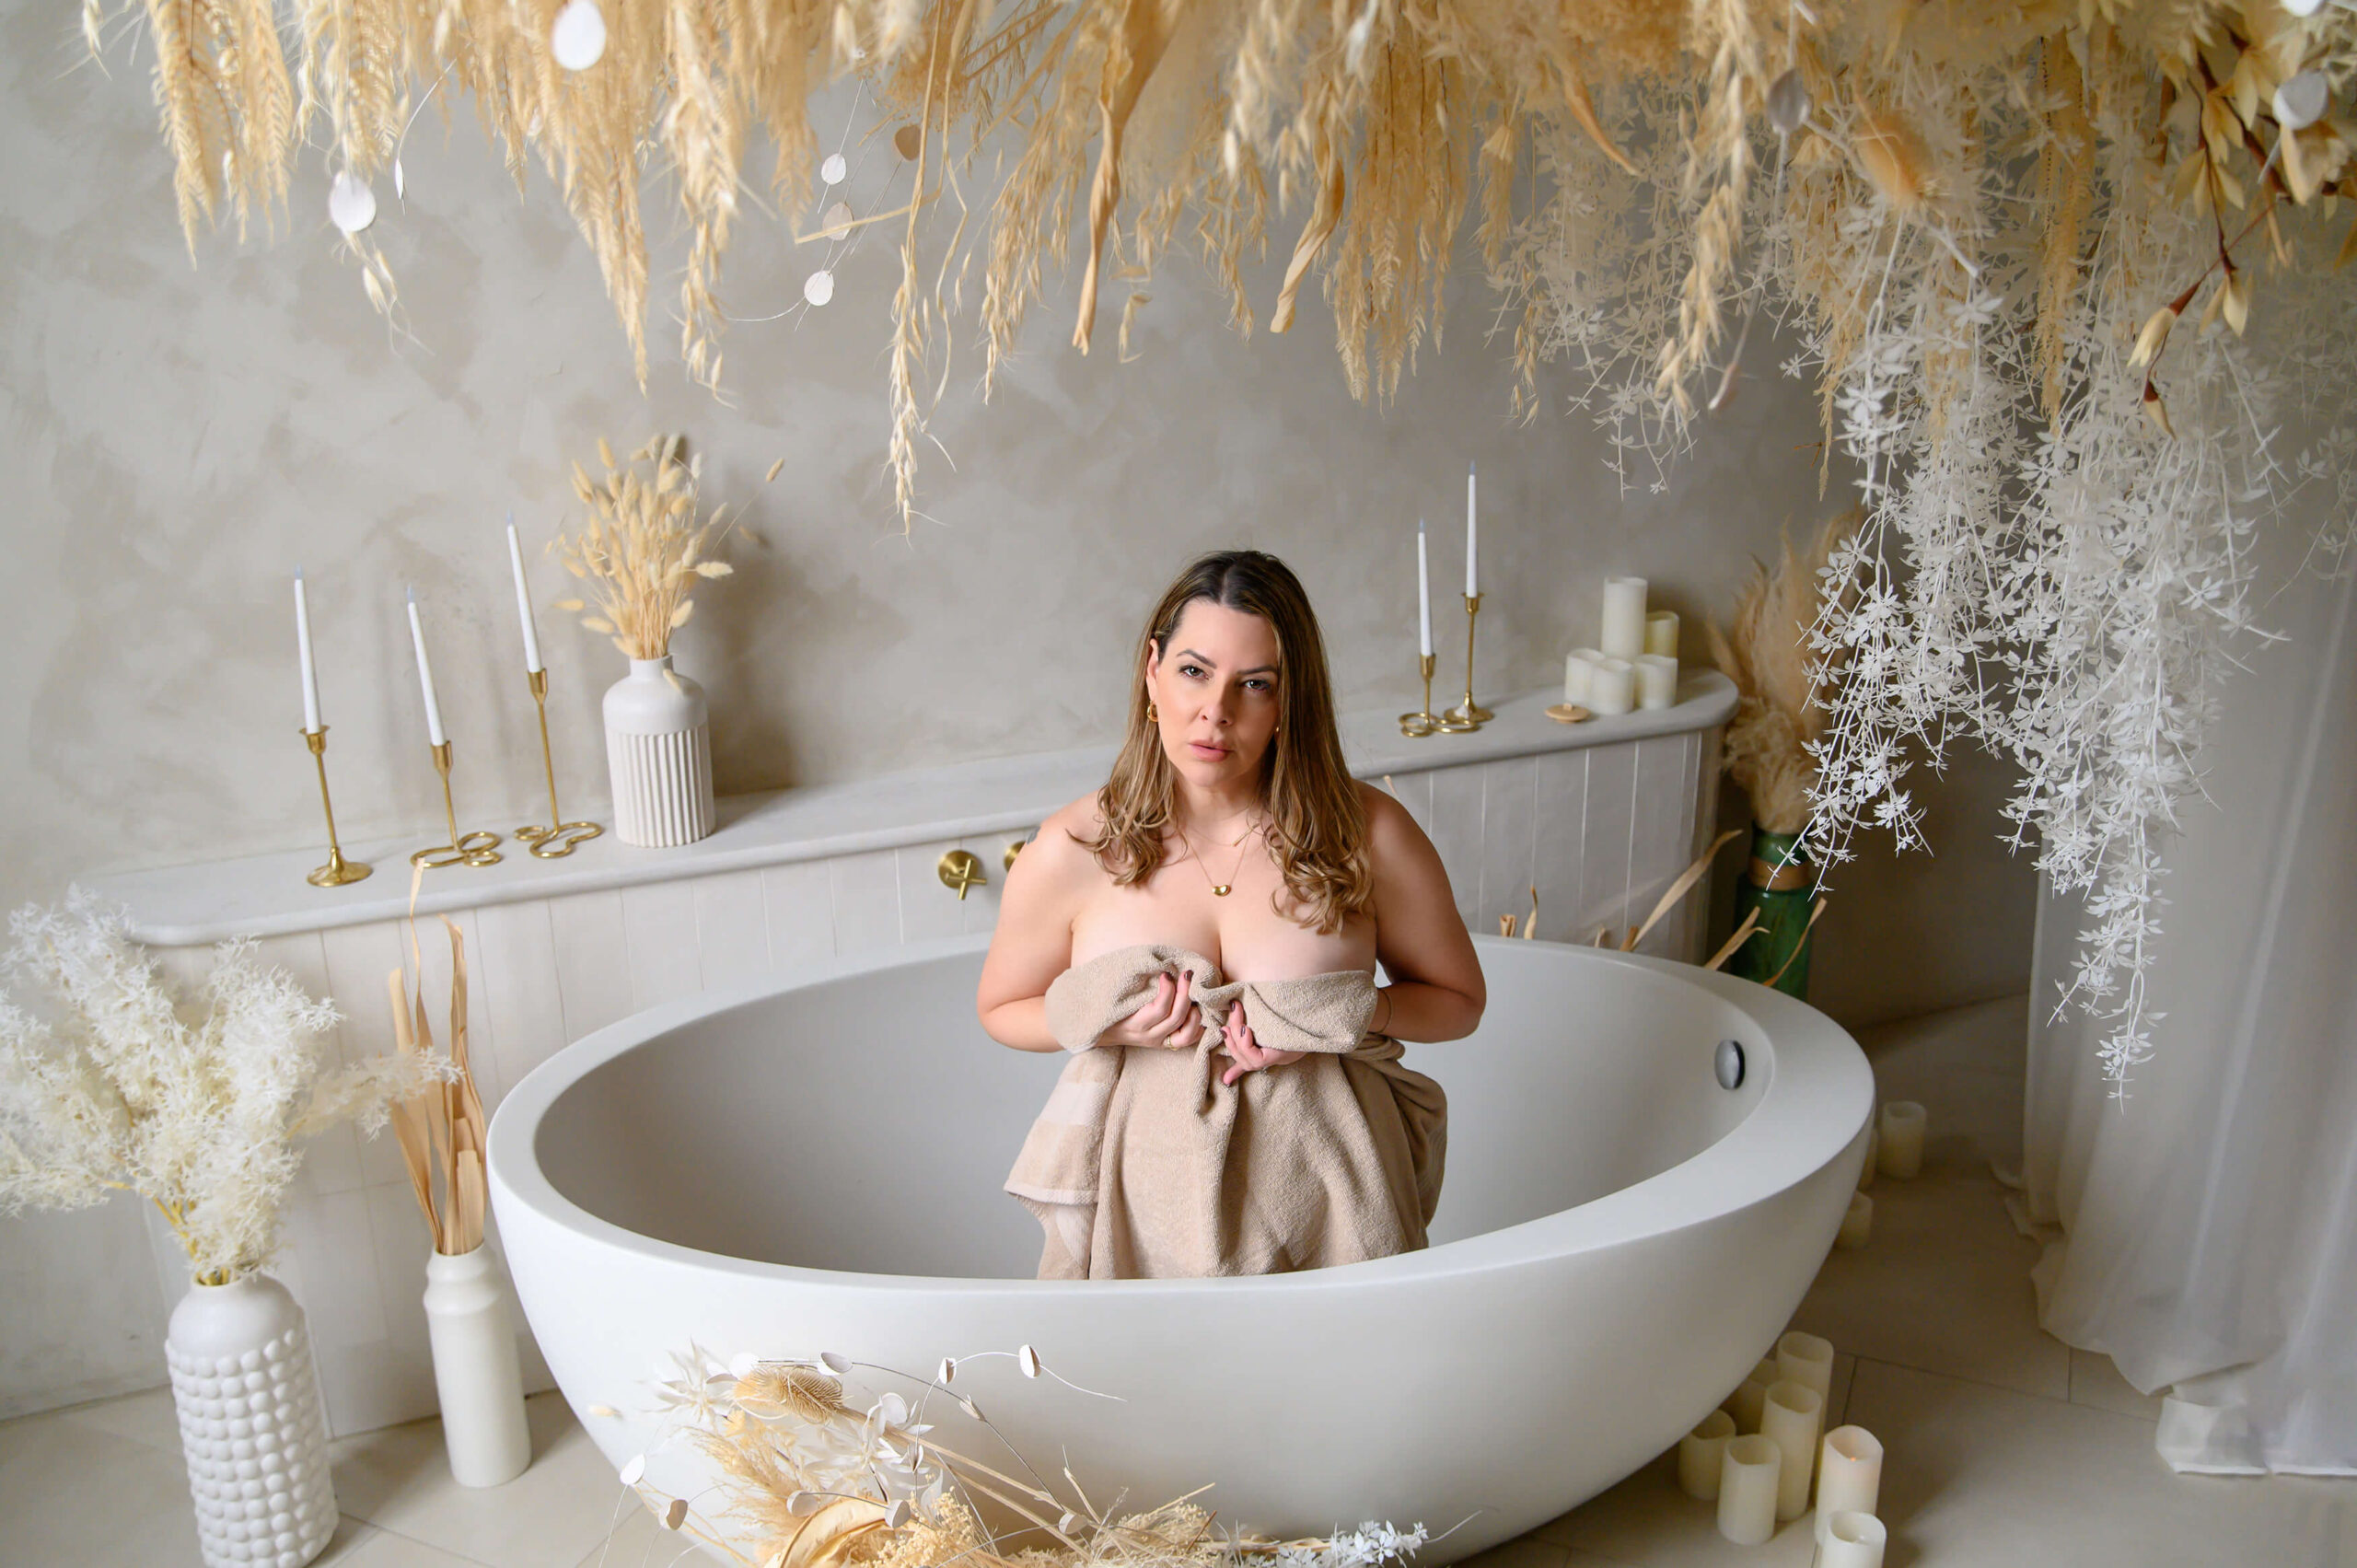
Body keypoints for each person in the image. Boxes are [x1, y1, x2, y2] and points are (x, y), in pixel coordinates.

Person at [978, 550, 1484, 1279]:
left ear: (1288, 702)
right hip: (1145, 1220)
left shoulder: (1368, 834)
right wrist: (1103, 1019)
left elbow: (1460, 1002)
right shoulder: (1075, 846)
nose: (1216, 710)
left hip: (1335, 1204)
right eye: (1193, 670)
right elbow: (1001, 1006)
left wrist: (1344, 1011)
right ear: (1152, 670)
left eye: (1254, 684)